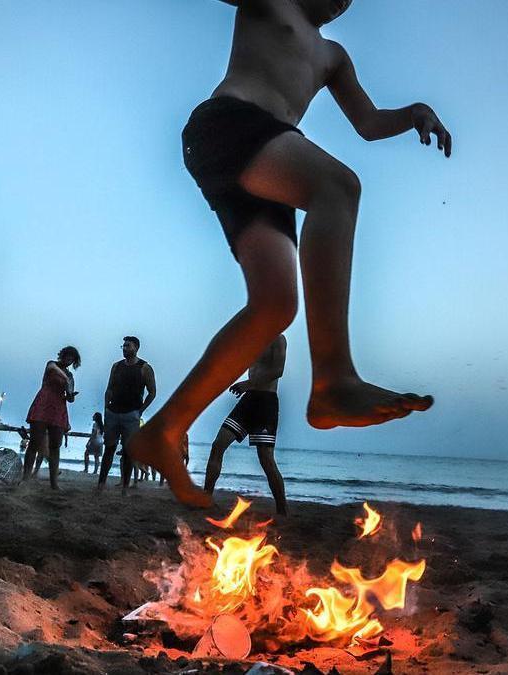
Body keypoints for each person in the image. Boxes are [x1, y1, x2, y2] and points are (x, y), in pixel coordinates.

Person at [126, 0, 446, 506]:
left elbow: (368, 121)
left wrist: (414, 114)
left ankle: (163, 431)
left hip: (263, 155)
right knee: (337, 188)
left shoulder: (334, 57)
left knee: (275, 306)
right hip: (230, 125)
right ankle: (334, 379)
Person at [204, 335, 289, 514]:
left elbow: (278, 370)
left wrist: (248, 384)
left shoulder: (278, 339)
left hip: (266, 402)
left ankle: (282, 510)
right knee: (218, 444)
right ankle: (205, 498)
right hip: (248, 400)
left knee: (266, 458)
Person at [97, 336, 156, 491]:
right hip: (113, 412)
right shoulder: (116, 366)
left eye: (127, 346)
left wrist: (140, 410)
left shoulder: (145, 368)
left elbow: (152, 392)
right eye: (123, 346)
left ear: (136, 348)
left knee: (129, 451)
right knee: (109, 448)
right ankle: (101, 484)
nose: (124, 348)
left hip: (131, 414)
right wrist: (106, 408)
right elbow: (109, 388)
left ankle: (125, 486)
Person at [24, 346, 80, 489]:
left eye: (72, 359)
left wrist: (71, 395)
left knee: (55, 445)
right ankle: (25, 479)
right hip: (43, 404)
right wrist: (65, 379)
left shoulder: (70, 376)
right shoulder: (52, 364)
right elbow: (53, 369)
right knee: (34, 443)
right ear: (63, 355)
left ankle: (54, 483)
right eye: (68, 357)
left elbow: (70, 396)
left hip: (58, 408)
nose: (69, 361)